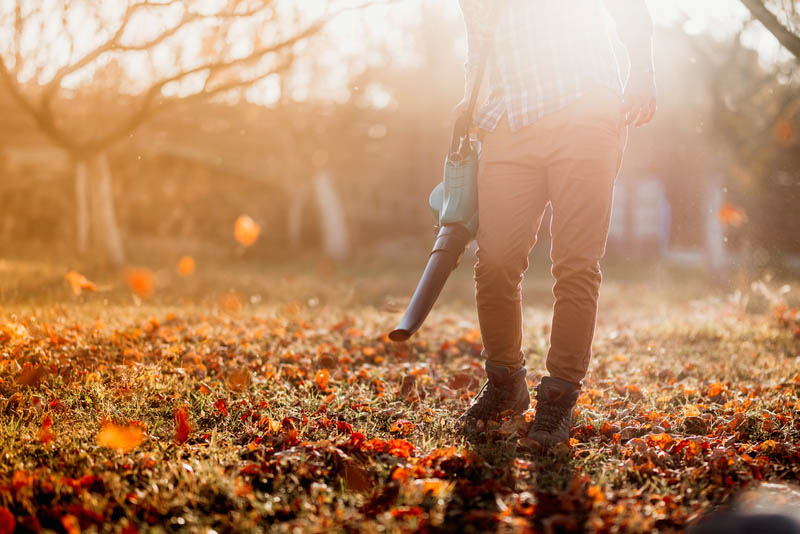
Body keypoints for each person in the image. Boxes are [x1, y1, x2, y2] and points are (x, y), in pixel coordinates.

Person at [457, 0, 657, 446]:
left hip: (584, 105)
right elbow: (479, 48)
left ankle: (559, 396)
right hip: (509, 119)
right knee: (495, 261)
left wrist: (642, 71)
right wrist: (466, 109)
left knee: (575, 261)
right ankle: (505, 382)